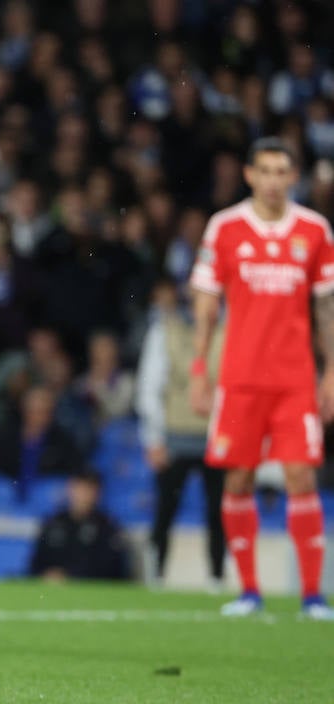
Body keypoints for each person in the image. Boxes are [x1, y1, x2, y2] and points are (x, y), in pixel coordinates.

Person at [190, 137, 334, 620]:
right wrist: (198, 370)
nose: (273, 180)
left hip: (294, 378)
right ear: (249, 175)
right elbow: (207, 304)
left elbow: (326, 307)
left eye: (282, 171)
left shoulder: (314, 230)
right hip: (240, 376)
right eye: (265, 170)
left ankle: (312, 596)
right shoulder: (225, 227)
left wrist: (331, 371)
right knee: (240, 476)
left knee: (300, 474)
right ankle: (250, 591)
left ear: (293, 178)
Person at [135, 279, 225, 589]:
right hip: (174, 434)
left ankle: (217, 577)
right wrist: (153, 438)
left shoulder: (230, 328)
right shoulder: (165, 330)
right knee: (165, 509)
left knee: (218, 511)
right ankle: (156, 575)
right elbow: (150, 385)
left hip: (216, 437)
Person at [29, 468, 130, 581]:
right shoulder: (53, 522)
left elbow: (111, 570)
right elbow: (35, 563)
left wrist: (69, 576)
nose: (83, 494)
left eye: (89, 489)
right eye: (79, 487)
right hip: (53, 588)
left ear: (98, 493)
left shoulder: (108, 527)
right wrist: (46, 574)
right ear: (70, 488)